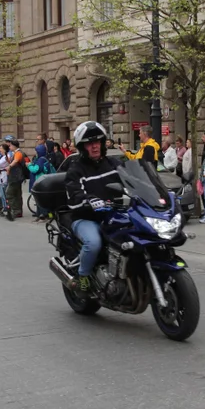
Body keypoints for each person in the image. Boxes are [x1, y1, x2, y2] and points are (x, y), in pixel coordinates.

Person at [65, 121, 122, 293]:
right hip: (86, 218)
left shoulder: (113, 163)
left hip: (113, 214)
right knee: (94, 242)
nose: (95, 146)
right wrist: (91, 201)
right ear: (82, 147)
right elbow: (74, 197)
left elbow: (132, 180)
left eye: (97, 142)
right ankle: (82, 277)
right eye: (90, 143)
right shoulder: (76, 170)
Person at [4, 136, 27, 220]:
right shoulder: (17, 153)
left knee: (9, 193)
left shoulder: (18, 153)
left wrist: (9, 166)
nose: (9, 147)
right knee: (17, 194)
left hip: (15, 177)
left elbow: (16, 161)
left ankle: (14, 210)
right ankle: (18, 211)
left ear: (14, 146)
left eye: (10, 146)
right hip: (17, 177)